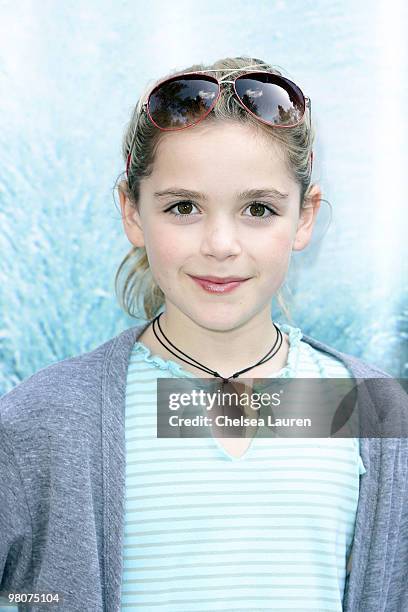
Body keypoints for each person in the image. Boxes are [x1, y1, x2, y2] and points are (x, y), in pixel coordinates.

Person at [0, 56, 407, 612]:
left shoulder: (366, 407)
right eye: (184, 207)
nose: (220, 244)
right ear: (133, 212)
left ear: (304, 218)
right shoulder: (50, 416)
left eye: (258, 208)